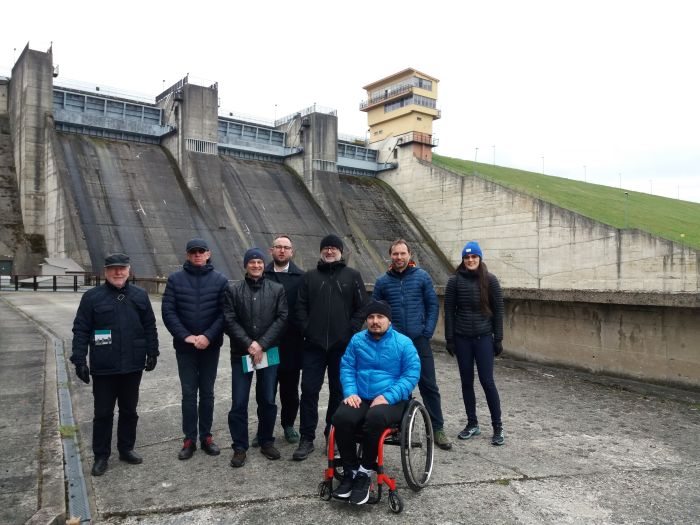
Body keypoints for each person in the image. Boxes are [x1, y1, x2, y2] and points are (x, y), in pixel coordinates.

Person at [70, 253, 159, 476]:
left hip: (132, 365)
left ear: (129, 270)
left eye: (122, 268)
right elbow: (80, 329)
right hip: (104, 366)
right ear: (105, 271)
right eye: (113, 269)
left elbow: (150, 326)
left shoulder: (139, 295)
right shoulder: (92, 298)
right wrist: (79, 359)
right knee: (102, 413)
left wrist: (152, 352)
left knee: (129, 410)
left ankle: (126, 448)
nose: (118, 272)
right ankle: (101, 455)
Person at [331, 300, 420, 505]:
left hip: (392, 399)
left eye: (380, 317)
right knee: (341, 417)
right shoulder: (357, 340)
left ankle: (364, 472)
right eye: (371, 317)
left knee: (376, 417)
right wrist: (351, 392)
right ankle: (351, 470)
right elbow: (347, 367)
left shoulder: (404, 343)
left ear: (389, 320)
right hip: (361, 396)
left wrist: (387, 396)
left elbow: (411, 374)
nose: (375, 321)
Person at [293, 234, 367, 461]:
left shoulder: (352, 276)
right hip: (313, 347)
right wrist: (307, 330)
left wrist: (350, 332)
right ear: (321, 251)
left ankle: (332, 435)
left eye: (334, 248)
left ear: (341, 251)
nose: (330, 251)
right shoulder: (309, 277)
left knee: (339, 392)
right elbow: (300, 308)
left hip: (341, 347)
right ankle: (306, 439)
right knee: (308, 392)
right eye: (326, 248)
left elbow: (362, 308)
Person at [373, 239, 452, 450]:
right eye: (395, 254)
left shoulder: (422, 277)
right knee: (398, 387)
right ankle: (400, 429)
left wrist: (427, 332)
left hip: (419, 340)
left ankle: (438, 428)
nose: (399, 257)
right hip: (394, 343)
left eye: (402, 254)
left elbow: (432, 305)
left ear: (409, 255)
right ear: (390, 256)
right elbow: (375, 311)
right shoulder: (382, 282)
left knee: (429, 385)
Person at [162, 238, 229, 460]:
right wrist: (187, 336)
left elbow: (224, 312)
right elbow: (168, 312)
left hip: (210, 347)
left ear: (208, 254)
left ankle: (206, 437)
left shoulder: (220, 280)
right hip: (185, 347)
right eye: (193, 252)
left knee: (207, 392)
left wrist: (208, 336)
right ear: (187, 255)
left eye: (201, 252)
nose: (197, 255)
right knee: (189, 394)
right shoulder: (175, 280)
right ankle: (189, 439)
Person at [223, 248, 288, 467]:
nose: (256, 266)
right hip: (241, 354)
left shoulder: (277, 289)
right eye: (252, 262)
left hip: (268, 353)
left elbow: (282, 318)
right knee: (239, 402)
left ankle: (266, 440)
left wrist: (262, 344)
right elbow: (229, 320)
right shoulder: (233, 290)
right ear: (246, 265)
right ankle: (239, 447)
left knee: (268, 400)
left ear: (264, 264)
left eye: (260, 262)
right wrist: (249, 344)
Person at [444, 241, 505, 446]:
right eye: (467, 257)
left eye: (474, 257)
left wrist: (499, 338)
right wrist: (450, 339)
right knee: (466, 382)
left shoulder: (490, 280)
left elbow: (499, 311)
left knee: (487, 382)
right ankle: (472, 423)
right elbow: (449, 311)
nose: (470, 260)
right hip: (462, 339)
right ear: (463, 260)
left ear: (480, 259)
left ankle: (497, 427)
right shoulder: (454, 282)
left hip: (483, 338)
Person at [264, 234, 305, 444]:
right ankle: (264, 430)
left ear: (292, 251)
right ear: (271, 250)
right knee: (266, 390)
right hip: (267, 344)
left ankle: (288, 425)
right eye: (278, 247)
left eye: (286, 247)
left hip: (291, 344)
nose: (282, 250)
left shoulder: (301, 277)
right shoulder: (262, 273)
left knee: (290, 391)